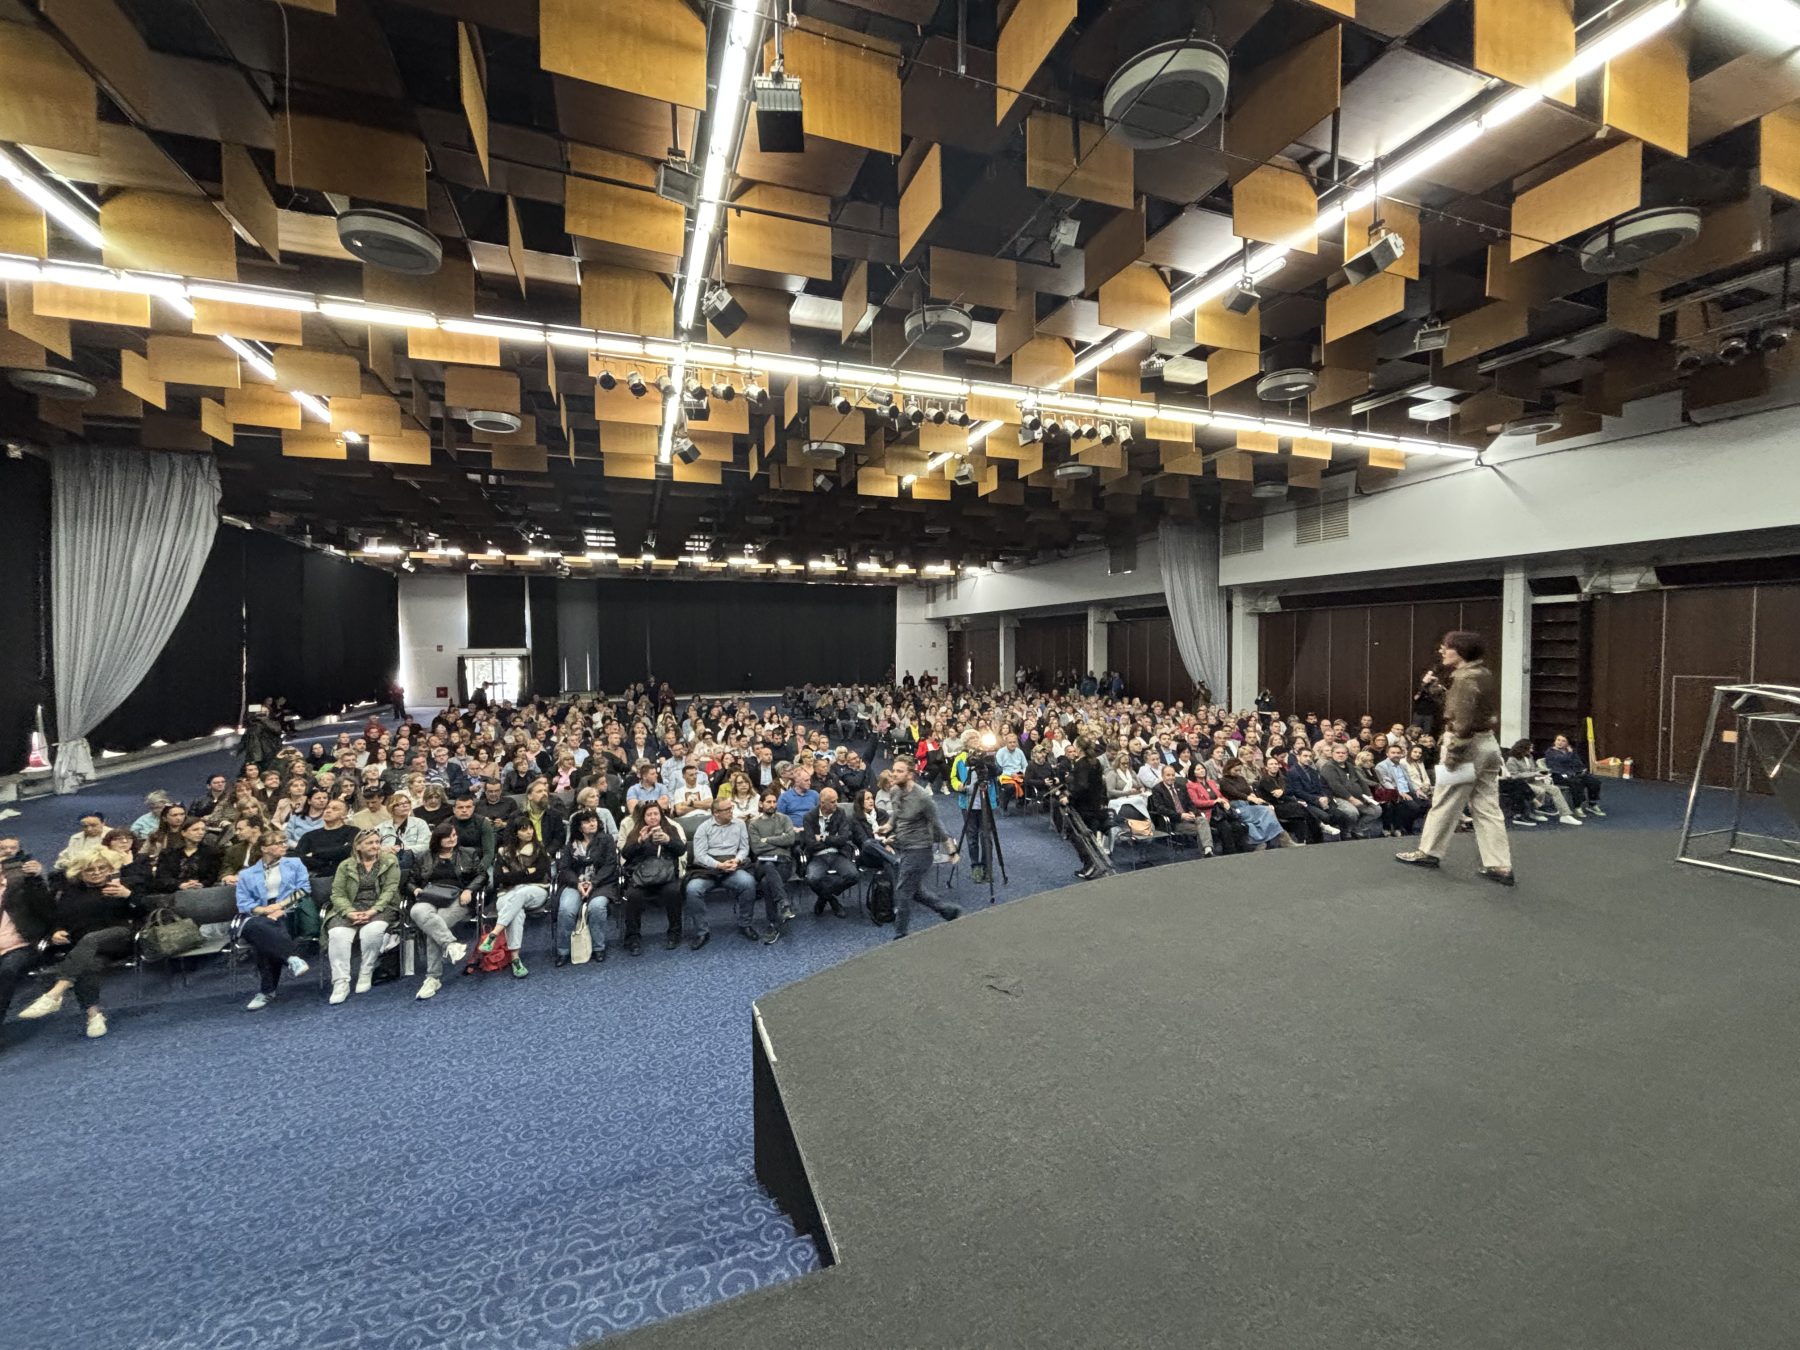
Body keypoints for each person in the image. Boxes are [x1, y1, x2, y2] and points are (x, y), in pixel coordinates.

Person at [1398, 631, 1515, 884]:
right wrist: (1437, 690)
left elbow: (1462, 722)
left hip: (1465, 747)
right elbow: (1467, 707)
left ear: (1460, 651)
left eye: (1446, 647)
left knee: (1445, 800)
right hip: (1488, 745)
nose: (1442, 650)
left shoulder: (1463, 679)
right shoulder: (1483, 674)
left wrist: (1452, 757)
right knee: (1487, 806)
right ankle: (1499, 865)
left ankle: (1429, 852)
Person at [232, 830, 313, 1011]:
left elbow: (303, 889)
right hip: (258, 913)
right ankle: (291, 958)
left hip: (288, 909)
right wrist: (264, 910)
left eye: (284, 842)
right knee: (258, 926)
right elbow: (243, 903)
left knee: (264, 938)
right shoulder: (247, 874)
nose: (284, 845)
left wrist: (280, 906)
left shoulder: (294, 863)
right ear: (264, 848)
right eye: (278, 843)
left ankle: (267, 991)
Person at [885, 758, 961, 937]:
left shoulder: (923, 798)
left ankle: (901, 934)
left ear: (910, 775)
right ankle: (947, 910)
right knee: (916, 891)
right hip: (903, 846)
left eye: (900, 771)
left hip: (920, 850)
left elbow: (937, 824)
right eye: (894, 770)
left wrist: (951, 849)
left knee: (903, 892)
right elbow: (896, 813)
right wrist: (889, 826)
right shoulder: (894, 791)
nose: (894, 774)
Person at [407, 822, 484, 1000]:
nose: (452, 839)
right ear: (438, 839)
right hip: (430, 895)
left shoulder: (468, 853)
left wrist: (469, 890)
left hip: (458, 897)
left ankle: (433, 978)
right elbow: (410, 880)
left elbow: (482, 875)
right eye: (447, 836)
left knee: (435, 925)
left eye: (454, 835)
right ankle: (450, 944)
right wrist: (414, 889)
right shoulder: (424, 856)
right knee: (417, 911)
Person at [324, 829, 400, 1003]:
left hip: (381, 907)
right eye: (369, 843)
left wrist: (373, 911)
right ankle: (340, 982)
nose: (375, 846)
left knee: (372, 931)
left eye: (377, 842)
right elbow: (337, 894)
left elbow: (390, 890)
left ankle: (366, 971)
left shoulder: (389, 861)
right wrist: (349, 912)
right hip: (350, 907)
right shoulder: (345, 865)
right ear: (358, 846)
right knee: (337, 935)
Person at [685, 796, 759, 946]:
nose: (731, 811)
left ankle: (745, 924)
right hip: (708, 869)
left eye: (731, 808)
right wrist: (718, 865)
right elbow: (700, 855)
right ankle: (702, 932)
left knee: (749, 883)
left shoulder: (740, 824)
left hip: (732, 865)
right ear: (716, 813)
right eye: (727, 809)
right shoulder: (704, 828)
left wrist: (737, 860)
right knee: (692, 890)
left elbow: (744, 848)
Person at [482, 818, 551, 976]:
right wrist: (526, 872)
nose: (529, 832)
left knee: (521, 893)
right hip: (507, 893)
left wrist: (512, 875)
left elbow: (541, 874)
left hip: (535, 890)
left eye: (530, 828)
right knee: (516, 912)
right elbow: (499, 878)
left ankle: (495, 933)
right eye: (524, 829)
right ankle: (515, 959)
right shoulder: (503, 852)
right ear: (515, 833)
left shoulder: (539, 849)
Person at [554, 808, 619, 966]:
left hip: (601, 883)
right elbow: (564, 868)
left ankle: (598, 948)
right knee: (566, 909)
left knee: (596, 907)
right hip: (575, 883)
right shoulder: (571, 845)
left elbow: (610, 865)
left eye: (594, 820)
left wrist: (593, 883)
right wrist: (577, 884)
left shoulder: (606, 840)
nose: (592, 824)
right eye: (587, 821)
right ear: (579, 826)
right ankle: (563, 951)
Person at [620, 803, 686, 955]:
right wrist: (640, 841)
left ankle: (674, 933)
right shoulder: (636, 832)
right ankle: (633, 938)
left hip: (666, 876)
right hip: (642, 877)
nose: (653, 817)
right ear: (643, 817)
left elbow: (681, 850)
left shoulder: (670, 829)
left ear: (661, 815)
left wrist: (668, 840)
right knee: (633, 896)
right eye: (649, 815)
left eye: (656, 814)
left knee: (673, 892)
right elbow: (625, 854)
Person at [748, 788, 799, 928]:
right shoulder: (754, 824)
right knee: (768, 865)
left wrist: (767, 840)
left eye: (774, 802)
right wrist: (780, 840)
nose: (772, 805)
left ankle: (773, 922)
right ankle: (783, 902)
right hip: (761, 863)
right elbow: (756, 848)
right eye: (768, 802)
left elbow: (790, 839)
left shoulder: (784, 819)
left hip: (783, 862)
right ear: (761, 804)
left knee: (766, 882)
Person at [1544, 734, 1606, 816]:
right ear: (1554, 741)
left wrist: (1582, 769)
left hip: (1572, 774)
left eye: (1563, 741)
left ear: (1567, 743)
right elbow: (1563, 759)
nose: (1560, 742)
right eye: (1558, 740)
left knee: (1594, 781)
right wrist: (1570, 752)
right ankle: (1577, 807)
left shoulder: (1570, 751)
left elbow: (1578, 762)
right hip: (1558, 775)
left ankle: (1592, 804)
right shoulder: (1550, 752)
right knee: (1576, 782)